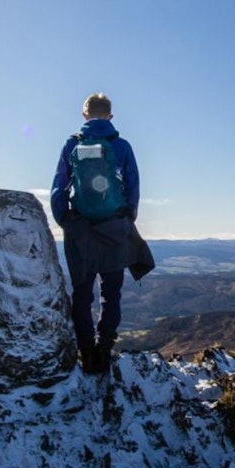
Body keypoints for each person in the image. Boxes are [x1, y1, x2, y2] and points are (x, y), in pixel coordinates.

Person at [50, 93, 154, 373]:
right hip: (114, 230)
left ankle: (86, 352)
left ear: (84, 115)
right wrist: (127, 215)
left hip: (80, 230)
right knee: (111, 294)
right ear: (110, 116)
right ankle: (103, 352)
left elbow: (60, 185)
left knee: (82, 295)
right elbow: (133, 185)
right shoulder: (121, 146)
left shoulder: (72, 144)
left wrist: (65, 219)